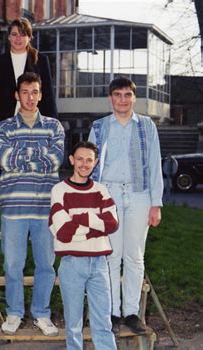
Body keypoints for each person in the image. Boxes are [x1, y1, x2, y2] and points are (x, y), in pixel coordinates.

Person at [88, 76, 163, 334]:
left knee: (134, 256)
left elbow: (155, 164)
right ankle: (112, 312)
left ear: (134, 97)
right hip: (108, 194)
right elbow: (88, 164)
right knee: (110, 255)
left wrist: (156, 204)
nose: (122, 100)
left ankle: (131, 312)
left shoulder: (146, 126)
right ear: (111, 98)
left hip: (139, 194)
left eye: (127, 95)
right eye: (117, 95)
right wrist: (91, 200)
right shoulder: (99, 128)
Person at [0, 72, 64, 336]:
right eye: (25, 92)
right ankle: (14, 312)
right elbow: (5, 160)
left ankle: (42, 314)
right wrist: (39, 156)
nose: (30, 97)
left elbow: (56, 160)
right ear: (17, 95)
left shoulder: (54, 127)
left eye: (35, 92)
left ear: (41, 94)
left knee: (46, 264)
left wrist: (22, 156)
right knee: (13, 265)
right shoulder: (4, 127)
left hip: (46, 208)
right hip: (14, 207)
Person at [49, 141, 119, 350]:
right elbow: (63, 231)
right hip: (72, 264)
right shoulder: (59, 190)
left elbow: (111, 223)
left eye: (89, 160)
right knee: (73, 324)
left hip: (99, 263)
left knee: (103, 322)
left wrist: (79, 217)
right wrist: (95, 224)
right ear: (71, 160)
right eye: (80, 159)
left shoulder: (101, 190)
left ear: (95, 162)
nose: (84, 164)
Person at [0, 18, 57, 123]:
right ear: (9, 37)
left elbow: (48, 95)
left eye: (23, 34)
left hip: (34, 121)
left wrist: (53, 122)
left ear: (30, 37)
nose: (18, 38)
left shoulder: (41, 61)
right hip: (6, 121)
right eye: (14, 34)